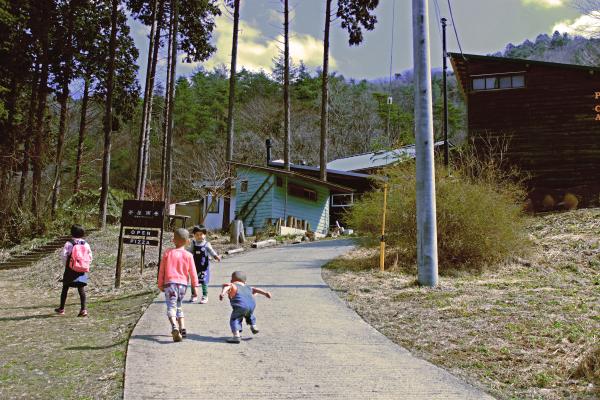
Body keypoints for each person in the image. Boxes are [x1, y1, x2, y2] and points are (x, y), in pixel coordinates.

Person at [158, 228, 199, 342]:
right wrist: (195, 287)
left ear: (173, 240)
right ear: (187, 241)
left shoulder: (168, 253)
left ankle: (174, 326)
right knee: (179, 305)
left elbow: (162, 270)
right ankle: (183, 328)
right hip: (183, 286)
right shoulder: (189, 255)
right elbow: (193, 272)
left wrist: (160, 283)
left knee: (171, 306)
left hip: (170, 284)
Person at [219, 271, 272, 344]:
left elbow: (227, 287)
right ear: (245, 281)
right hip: (251, 305)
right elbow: (256, 289)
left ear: (232, 280)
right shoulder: (248, 287)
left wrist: (222, 293)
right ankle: (253, 325)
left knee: (235, 319)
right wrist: (265, 293)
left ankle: (236, 336)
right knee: (249, 314)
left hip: (240, 306)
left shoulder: (232, 285)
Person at [55, 224, 92, 317]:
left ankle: (61, 308)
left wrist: (67, 265)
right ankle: (83, 309)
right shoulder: (86, 244)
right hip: (81, 269)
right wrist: (85, 265)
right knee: (81, 289)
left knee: (65, 288)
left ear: (71, 232)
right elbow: (90, 256)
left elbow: (64, 255)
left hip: (70, 269)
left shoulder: (69, 243)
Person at [188, 225, 221, 304]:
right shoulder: (193, 243)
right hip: (194, 266)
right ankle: (194, 295)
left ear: (205, 235)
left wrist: (216, 256)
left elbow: (211, 251)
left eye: (201, 234)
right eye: (197, 235)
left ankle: (205, 296)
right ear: (194, 235)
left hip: (204, 266)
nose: (199, 236)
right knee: (193, 281)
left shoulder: (206, 244)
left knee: (203, 281)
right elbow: (190, 252)